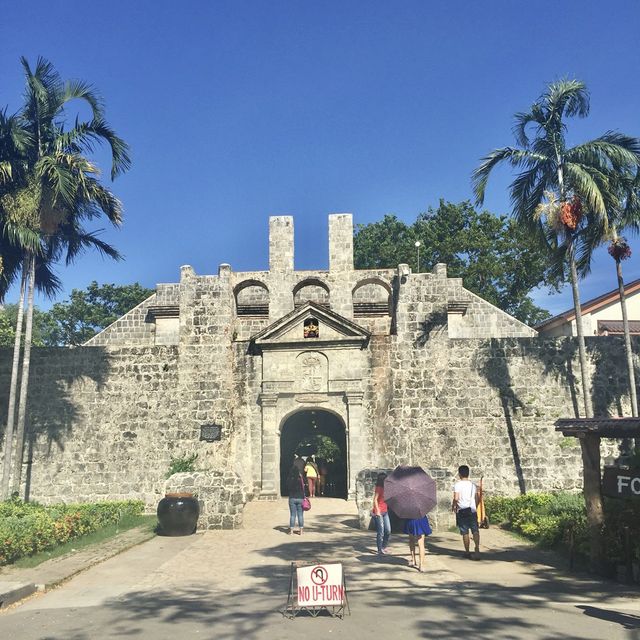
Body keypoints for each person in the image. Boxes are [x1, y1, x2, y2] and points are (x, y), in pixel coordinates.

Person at [452, 464, 480, 559]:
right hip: (472, 510)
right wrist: (474, 506)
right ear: (468, 473)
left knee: (465, 532)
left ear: (459, 474)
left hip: (462, 510)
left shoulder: (457, 485)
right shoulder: (473, 485)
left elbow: (456, 498)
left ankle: (467, 551)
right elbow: (477, 498)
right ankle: (477, 549)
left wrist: (454, 506)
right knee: (475, 530)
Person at [372, 472, 391, 555]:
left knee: (388, 530)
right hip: (378, 512)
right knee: (381, 531)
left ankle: (384, 546)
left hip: (385, 511)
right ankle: (379, 549)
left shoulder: (387, 488)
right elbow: (375, 499)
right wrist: (378, 511)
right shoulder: (379, 488)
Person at [287, 461, 306, 535]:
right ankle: (301, 531)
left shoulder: (289, 479)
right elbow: (304, 487)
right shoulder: (301, 479)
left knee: (292, 515)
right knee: (300, 515)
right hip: (300, 497)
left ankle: (291, 531)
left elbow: (287, 487)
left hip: (292, 497)